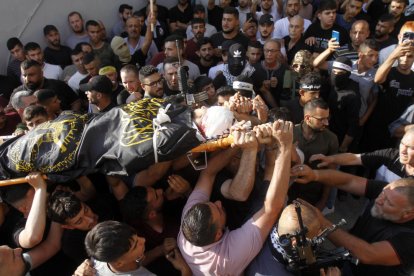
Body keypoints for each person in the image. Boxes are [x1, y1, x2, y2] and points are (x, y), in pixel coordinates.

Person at [178, 120, 293, 275]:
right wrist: (285, 146)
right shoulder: (227, 257)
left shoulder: (190, 216)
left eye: (212, 204)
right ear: (218, 234)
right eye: (218, 209)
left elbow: (207, 173)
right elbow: (273, 208)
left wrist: (236, 143)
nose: (218, 202)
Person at [292, 166, 414, 275]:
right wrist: (315, 175)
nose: (379, 200)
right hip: (346, 258)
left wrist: (322, 222)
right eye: (382, 193)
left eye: (389, 203)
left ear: (408, 213)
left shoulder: (410, 239)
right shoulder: (390, 192)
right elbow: (350, 181)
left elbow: (369, 254)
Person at [77, 220, 191, 276]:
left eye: (137, 237)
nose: (143, 240)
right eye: (136, 245)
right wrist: (185, 270)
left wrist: (160, 250)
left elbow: (136, 263)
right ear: (119, 263)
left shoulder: (96, 260)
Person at [311, 127, 414, 182]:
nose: (403, 150)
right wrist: (331, 159)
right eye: (402, 143)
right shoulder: (390, 155)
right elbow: (354, 158)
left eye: (410, 147)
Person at [288, 98, 338, 210]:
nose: (327, 123)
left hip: (312, 196)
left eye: (327, 118)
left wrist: (323, 201)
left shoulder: (331, 139)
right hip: (287, 191)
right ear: (307, 118)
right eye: (321, 119)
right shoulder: (290, 133)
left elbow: (331, 173)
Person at [14, 60, 79, 112]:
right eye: (24, 75)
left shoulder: (58, 85)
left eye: (31, 75)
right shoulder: (18, 94)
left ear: (41, 73)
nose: (27, 79)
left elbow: (76, 102)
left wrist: (72, 117)